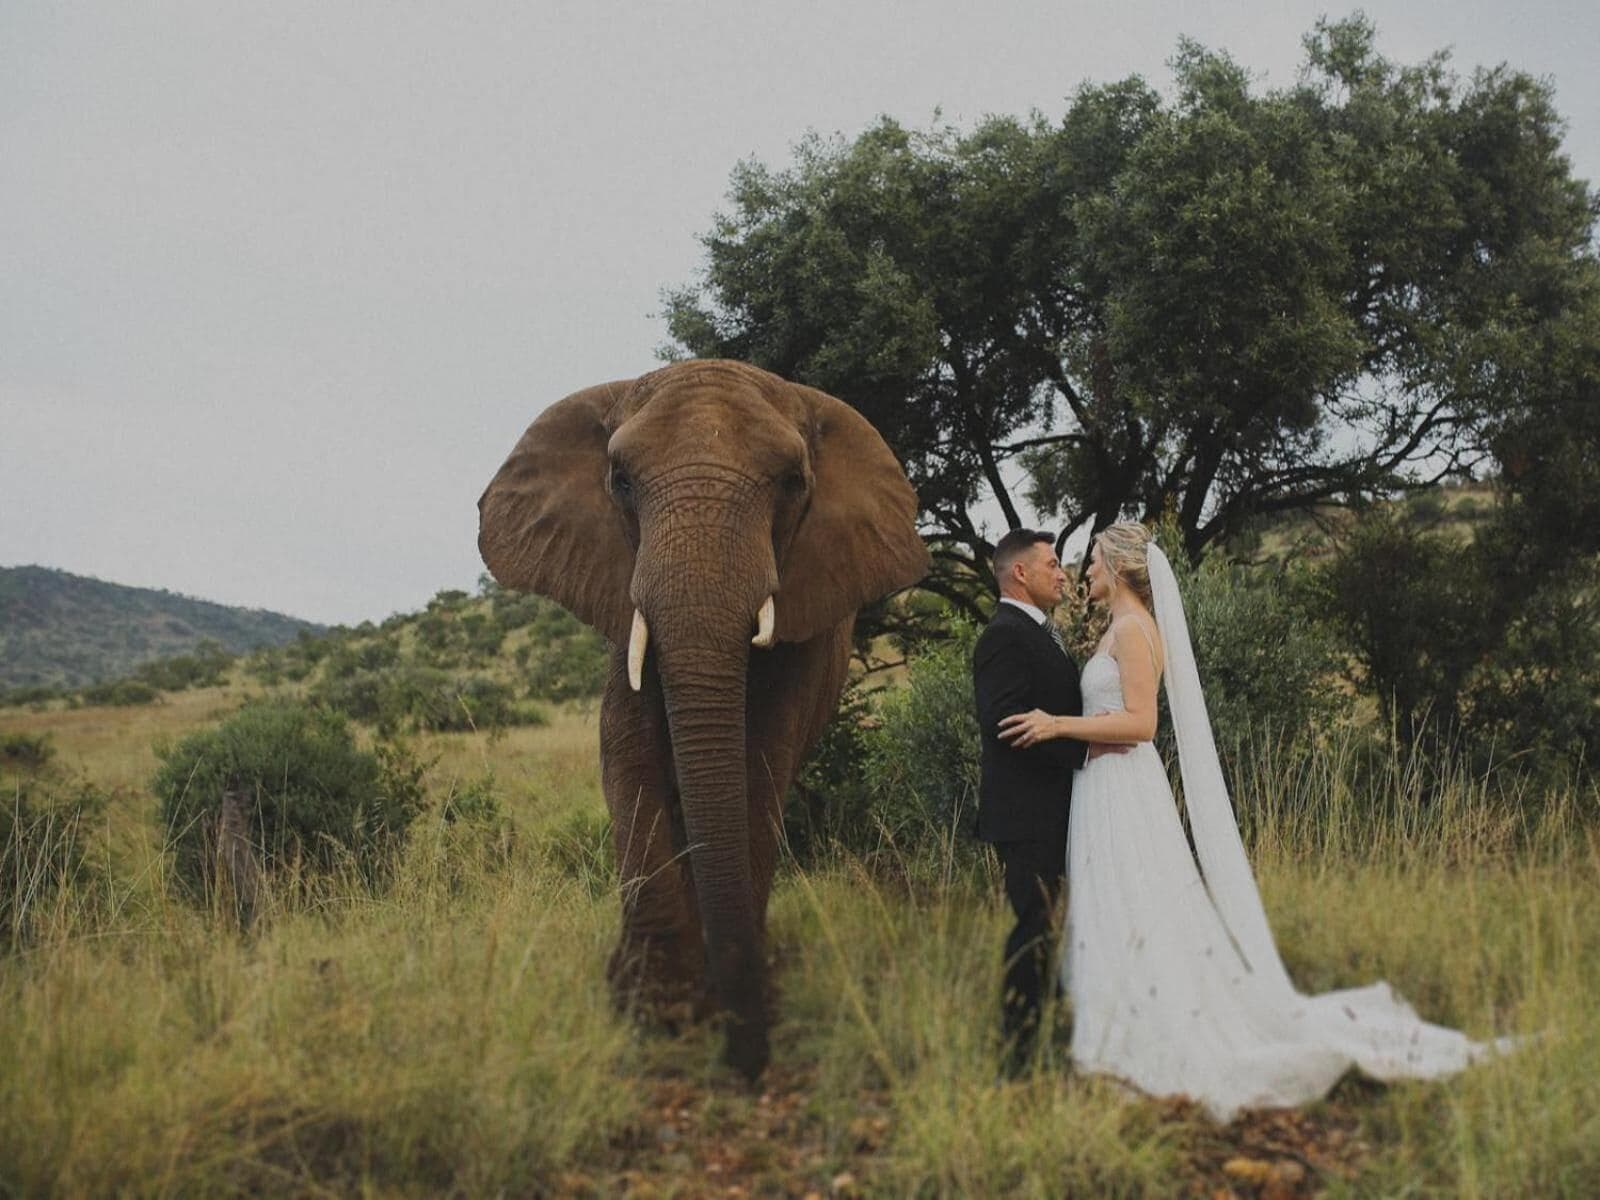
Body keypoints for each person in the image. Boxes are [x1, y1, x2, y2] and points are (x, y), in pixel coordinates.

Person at [998, 521, 1511, 1120]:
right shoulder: (1117, 628)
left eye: (1091, 563)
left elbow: (1141, 725)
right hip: (1101, 788)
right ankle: (1116, 1020)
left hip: (1123, 788)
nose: (1084, 573)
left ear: (1117, 565)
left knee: (1135, 900)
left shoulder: (1136, 631)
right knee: (1116, 904)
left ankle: (1145, 1033)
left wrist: (1059, 725)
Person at [972, 529, 1088, 1073]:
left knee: (1048, 923)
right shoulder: (1003, 636)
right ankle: (1017, 1057)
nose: (1062, 573)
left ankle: (1052, 1032)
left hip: (1052, 808)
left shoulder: (1038, 632)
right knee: (1034, 925)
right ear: (1021, 573)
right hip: (1028, 812)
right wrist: (1081, 753)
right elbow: (1005, 723)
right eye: (1052, 563)